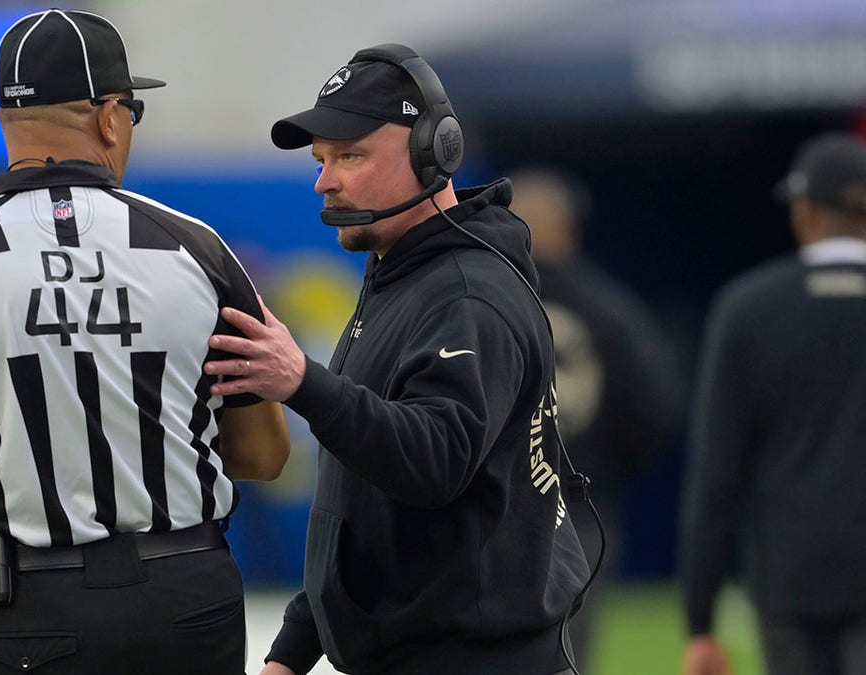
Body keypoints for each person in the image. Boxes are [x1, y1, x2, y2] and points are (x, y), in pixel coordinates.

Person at [0, 9, 290, 675]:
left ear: (5, 121)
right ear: (109, 116)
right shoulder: (198, 251)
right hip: (188, 601)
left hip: (32, 610)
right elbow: (262, 452)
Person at [204, 43, 591, 674]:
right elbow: (363, 507)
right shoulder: (401, 278)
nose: (324, 180)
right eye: (321, 160)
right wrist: (291, 654)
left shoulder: (469, 295)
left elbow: (434, 461)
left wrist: (302, 381)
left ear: (432, 154)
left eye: (350, 156)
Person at [680, 131, 866, 675]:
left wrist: (700, 624)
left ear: (804, 212)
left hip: (788, 581)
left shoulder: (747, 308)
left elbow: (716, 478)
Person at [508, 167, 684, 670]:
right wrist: (599, 475)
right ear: (571, 228)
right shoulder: (611, 308)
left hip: (493, 517)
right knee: (570, 657)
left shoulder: (478, 301)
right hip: (581, 513)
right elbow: (655, 408)